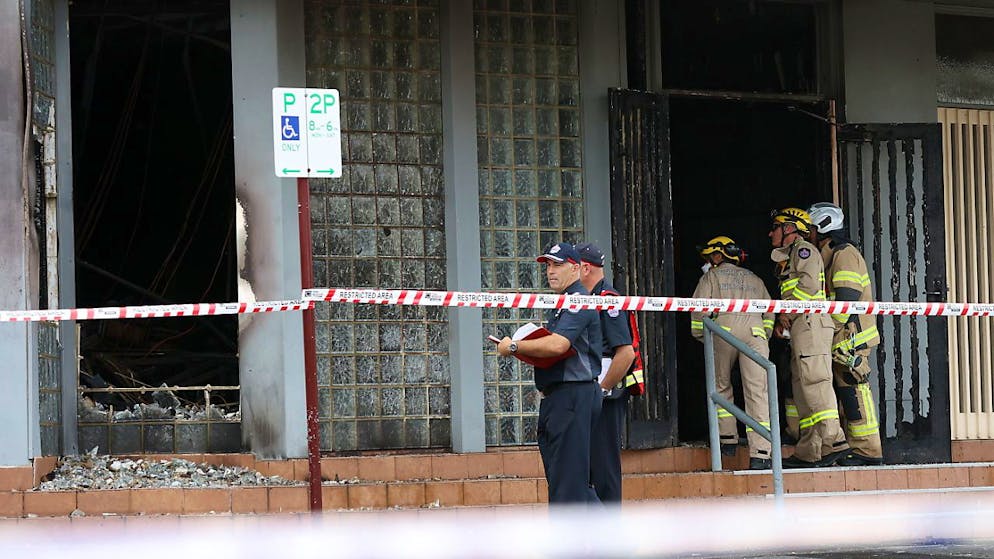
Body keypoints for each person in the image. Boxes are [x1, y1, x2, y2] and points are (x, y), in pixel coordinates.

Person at [496, 242, 603, 504]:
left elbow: (558, 345)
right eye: (548, 266)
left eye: (558, 264)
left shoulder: (578, 302)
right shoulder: (563, 303)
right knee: (565, 481)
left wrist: (514, 346)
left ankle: (570, 544)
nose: (550, 271)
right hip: (559, 399)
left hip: (573, 397)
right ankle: (613, 541)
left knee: (568, 485)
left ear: (576, 268)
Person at [769, 208, 848, 468]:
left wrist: (786, 313)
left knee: (816, 381)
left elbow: (809, 288)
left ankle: (833, 441)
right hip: (803, 326)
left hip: (810, 324)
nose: (771, 233)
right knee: (804, 386)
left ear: (790, 228)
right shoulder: (791, 256)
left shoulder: (805, 251)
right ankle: (810, 451)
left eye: (776, 227)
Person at [690, 236, 775, 470]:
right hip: (755, 332)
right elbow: (770, 312)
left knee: (721, 386)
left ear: (719, 256)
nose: (708, 261)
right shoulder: (755, 279)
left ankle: (727, 441)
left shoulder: (711, 277)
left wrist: (704, 337)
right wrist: (762, 335)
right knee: (757, 391)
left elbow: (699, 312)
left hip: (723, 331)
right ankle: (761, 453)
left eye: (710, 257)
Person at [807, 202, 883, 466]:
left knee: (854, 390)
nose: (809, 234)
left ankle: (869, 451)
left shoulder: (844, 253)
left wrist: (829, 329)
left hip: (852, 337)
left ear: (824, 226)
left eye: (812, 229)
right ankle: (855, 448)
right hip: (842, 337)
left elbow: (847, 298)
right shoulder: (828, 254)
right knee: (844, 394)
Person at [576, 242, 638, 502]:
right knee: (586, 467)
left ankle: (611, 534)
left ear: (585, 268)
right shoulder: (585, 299)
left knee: (604, 468)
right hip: (588, 394)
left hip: (605, 397)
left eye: (569, 266)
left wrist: (600, 391)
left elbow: (625, 354)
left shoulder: (608, 301)